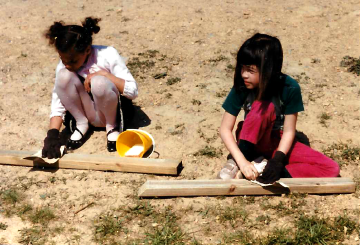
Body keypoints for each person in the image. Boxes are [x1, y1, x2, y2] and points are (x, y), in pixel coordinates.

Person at [219, 33, 339, 184]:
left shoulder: (290, 87)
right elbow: (225, 129)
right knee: (262, 107)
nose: (244, 74)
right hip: (251, 138)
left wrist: (277, 162)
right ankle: (237, 162)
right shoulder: (243, 86)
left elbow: (289, 131)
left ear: (268, 70)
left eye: (250, 70)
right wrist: (242, 161)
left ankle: (262, 167)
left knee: (331, 169)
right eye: (242, 68)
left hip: (278, 141)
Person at [42, 17, 138, 158]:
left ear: (87, 50)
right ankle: (82, 124)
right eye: (63, 60)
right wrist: (52, 135)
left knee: (99, 82)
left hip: (112, 112)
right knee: (63, 76)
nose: (67, 65)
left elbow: (133, 91)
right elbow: (59, 99)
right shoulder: (66, 64)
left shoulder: (107, 54)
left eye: (73, 61)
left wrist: (104, 74)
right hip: (86, 113)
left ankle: (111, 128)